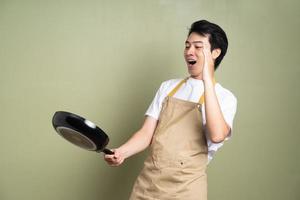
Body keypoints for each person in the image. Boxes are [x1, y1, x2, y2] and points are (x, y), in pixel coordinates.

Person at [104, 19, 237, 200]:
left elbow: (217, 135)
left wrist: (207, 79)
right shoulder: (168, 87)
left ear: (215, 53)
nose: (189, 51)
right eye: (187, 45)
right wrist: (122, 152)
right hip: (148, 185)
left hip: (187, 189)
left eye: (198, 47)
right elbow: (146, 133)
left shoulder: (224, 97)